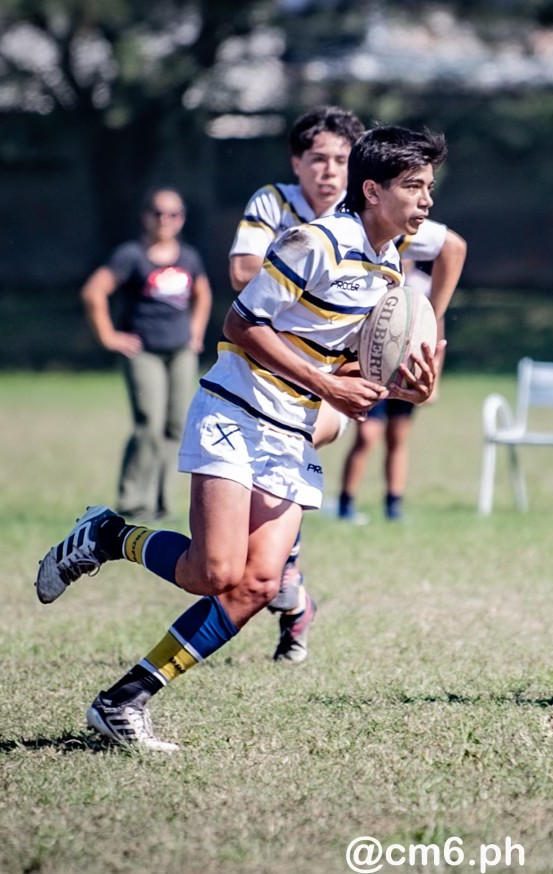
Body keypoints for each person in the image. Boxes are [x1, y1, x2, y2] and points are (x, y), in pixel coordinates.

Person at [35, 125, 448, 750]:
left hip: (294, 432)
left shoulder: (390, 268)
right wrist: (327, 386)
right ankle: (107, 535)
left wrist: (397, 388)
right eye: (414, 187)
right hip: (237, 408)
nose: (426, 200)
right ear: (373, 190)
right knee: (213, 572)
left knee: (257, 585)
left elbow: (342, 362)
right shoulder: (317, 242)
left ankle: (125, 702)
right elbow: (241, 321)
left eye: (429, 187)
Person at [226, 106, 366, 661]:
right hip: (258, 366)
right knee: (247, 555)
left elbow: (446, 247)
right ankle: (293, 594)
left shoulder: (370, 213)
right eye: (318, 159)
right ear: (296, 162)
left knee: (300, 442)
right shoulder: (273, 202)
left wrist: (436, 326)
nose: (329, 172)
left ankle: (286, 579)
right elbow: (241, 273)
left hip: (328, 378)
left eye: (341, 160)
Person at [81, 187, 213, 521]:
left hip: (180, 352)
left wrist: (195, 333)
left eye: (173, 214)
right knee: (149, 425)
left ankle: (162, 502)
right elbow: (94, 292)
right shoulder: (131, 255)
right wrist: (108, 336)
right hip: (144, 352)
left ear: (182, 219)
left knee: (175, 427)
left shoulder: (189, 257)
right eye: (157, 213)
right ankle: (132, 501)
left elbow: (203, 293)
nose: (164, 220)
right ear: (145, 216)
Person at [336, 228, 467, 523]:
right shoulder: (374, 278)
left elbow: (435, 329)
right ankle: (346, 502)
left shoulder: (422, 284)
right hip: (371, 370)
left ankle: (394, 504)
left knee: (397, 437)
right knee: (367, 435)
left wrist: (434, 379)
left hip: (410, 371)